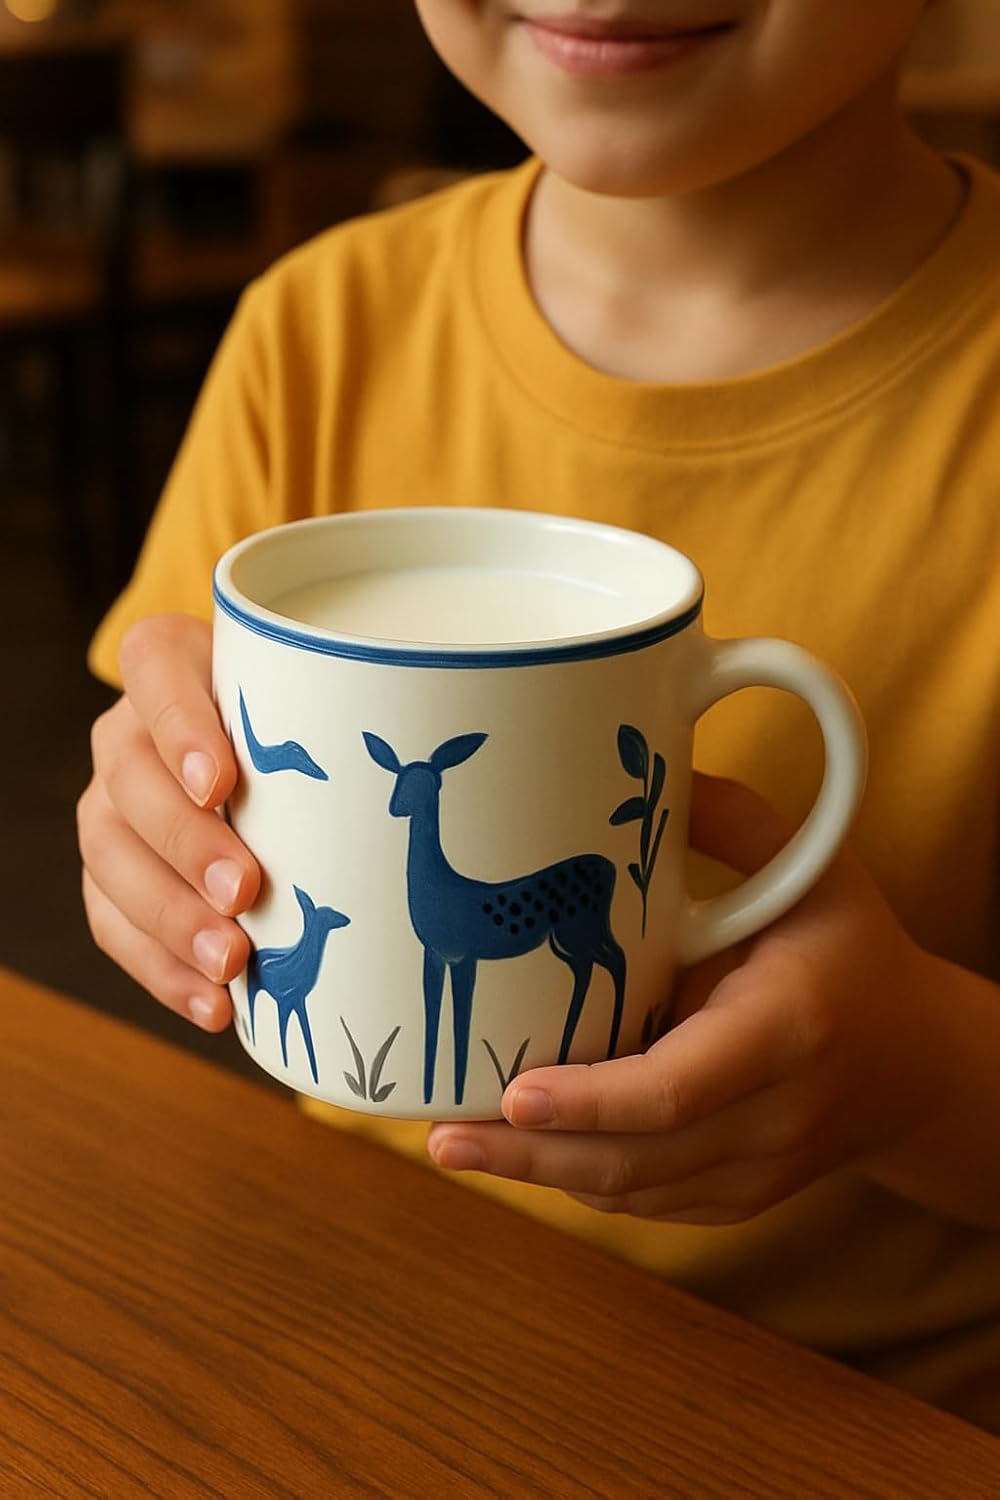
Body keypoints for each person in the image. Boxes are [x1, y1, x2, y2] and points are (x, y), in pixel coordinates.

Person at [78, 0, 1000, 1430]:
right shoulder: (312, 332)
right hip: (348, 1343)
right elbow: (170, 750)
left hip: (859, 1426)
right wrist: (149, 838)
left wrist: (923, 1079)